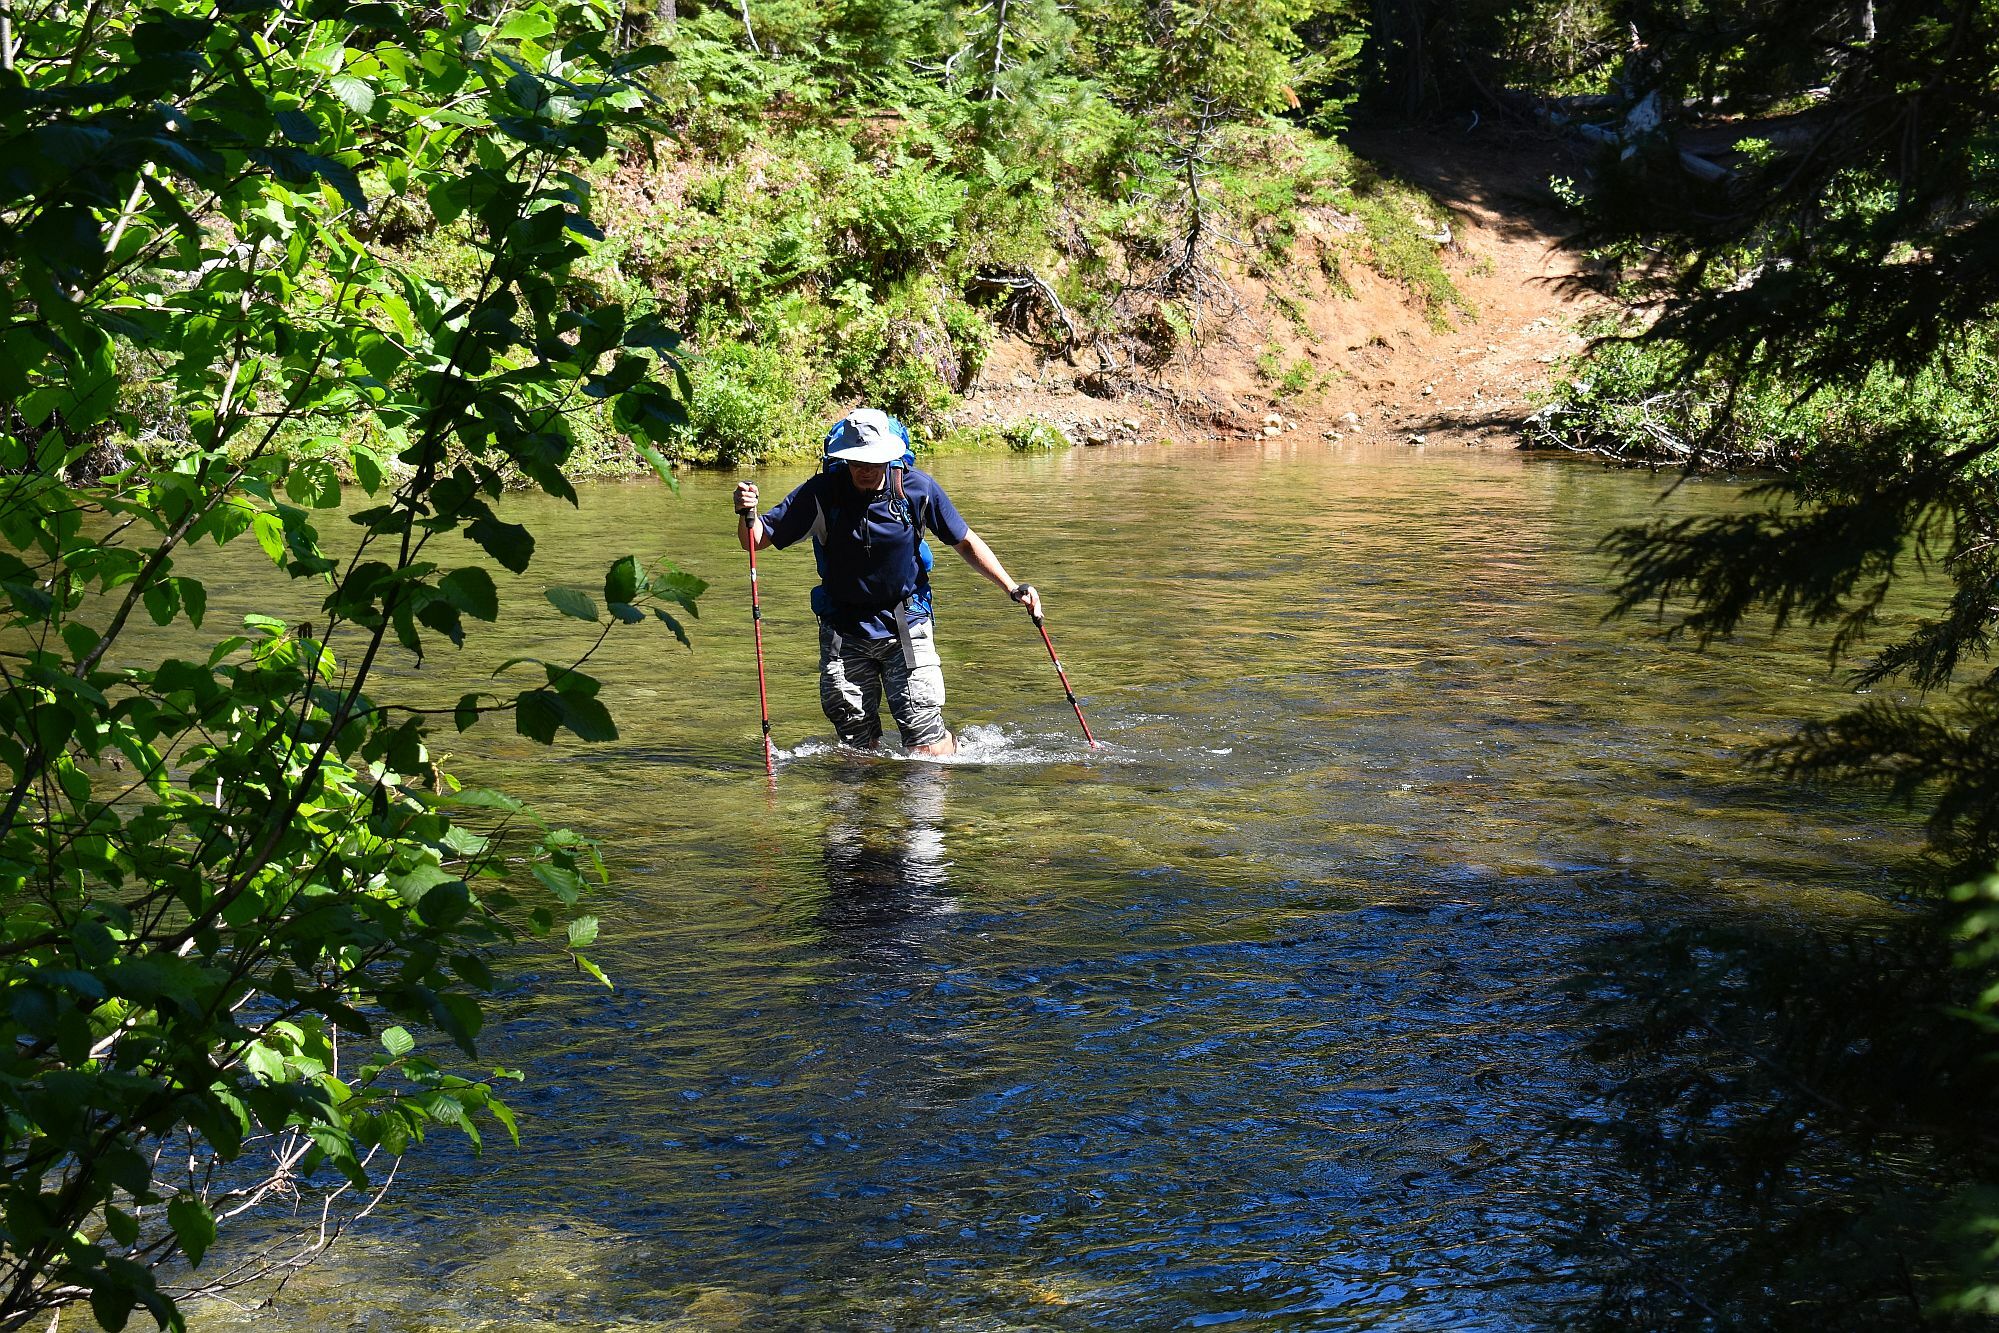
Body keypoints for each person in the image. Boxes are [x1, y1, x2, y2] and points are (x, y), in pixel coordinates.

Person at [733, 408, 1043, 758]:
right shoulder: (821, 494)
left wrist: (1012, 587)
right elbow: (755, 541)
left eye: (874, 461)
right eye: (856, 461)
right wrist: (748, 513)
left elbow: (965, 542)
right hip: (844, 630)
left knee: (926, 748)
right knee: (857, 751)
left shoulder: (917, 489)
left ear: (889, 456)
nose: (865, 469)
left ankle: (948, 760)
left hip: (907, 623)